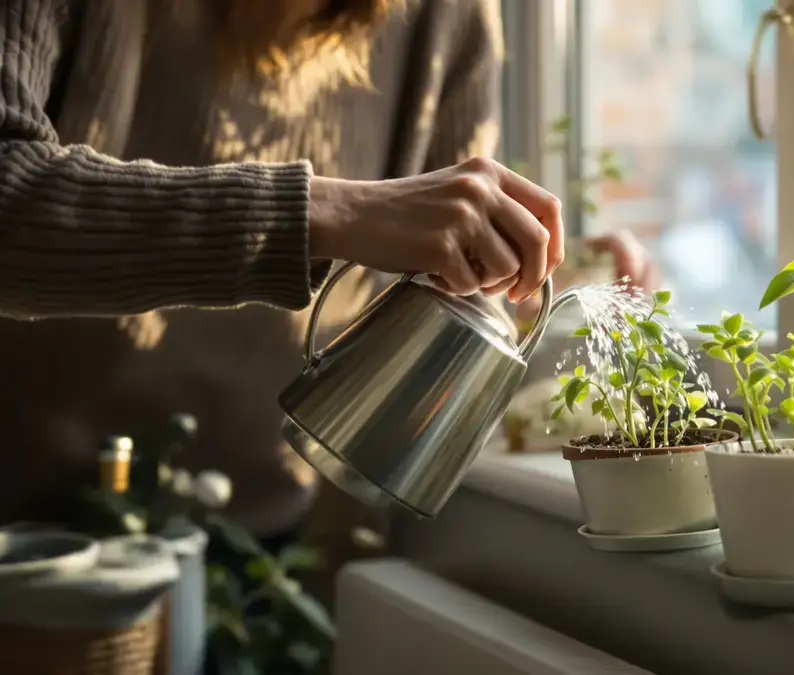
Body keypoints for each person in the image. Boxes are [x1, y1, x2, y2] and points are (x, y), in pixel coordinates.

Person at [0, 0, 652, 562]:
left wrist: (544, 264)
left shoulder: (447, 17)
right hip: (26, 540)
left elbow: (443, 264)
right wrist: (324, 213)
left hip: (257, 538)